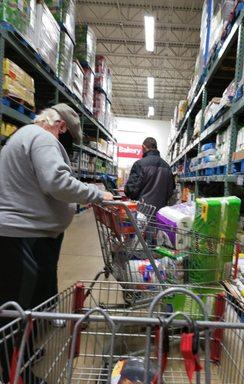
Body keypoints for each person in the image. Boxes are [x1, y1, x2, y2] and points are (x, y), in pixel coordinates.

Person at [0, 103, 113, 383]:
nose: (66, 146)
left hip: (25, 233)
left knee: (22, 302)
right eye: (68, 139)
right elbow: (56, 182)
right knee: (17, 308)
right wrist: (97, 195)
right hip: (24, 234)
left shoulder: (24, 136)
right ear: (60, 126)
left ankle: (19, 356)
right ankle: (13, 373)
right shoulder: (42, 138)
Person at [124, 137, 175, 210]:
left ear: (143, 147)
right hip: (161, 212)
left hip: (142, 211)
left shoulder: (139, 164)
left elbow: (131, 190)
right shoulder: (167, 167)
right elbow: (170, 191)